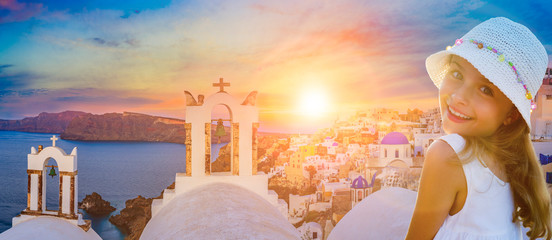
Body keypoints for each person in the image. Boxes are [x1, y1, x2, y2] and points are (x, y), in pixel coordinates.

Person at [406, 17, 551, 240]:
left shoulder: (448, 154)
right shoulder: (514, 167)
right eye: (457, 74)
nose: (459, 97)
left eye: (485, 89)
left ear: (511, 114)